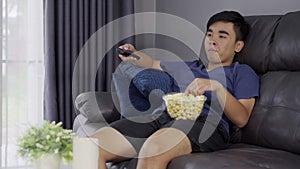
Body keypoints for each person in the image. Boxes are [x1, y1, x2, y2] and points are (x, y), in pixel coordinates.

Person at [91, 11, 259, 169]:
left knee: (153, 150)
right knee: (88, 149)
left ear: (238, 46)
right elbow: (151, 63)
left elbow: (242, 118)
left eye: (222, 36)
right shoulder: (189, 66)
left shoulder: (241, 72)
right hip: (162, 115)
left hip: (205, 123)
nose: (212, 40)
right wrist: (133, 54)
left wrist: (217, 87)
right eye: (209, 35)